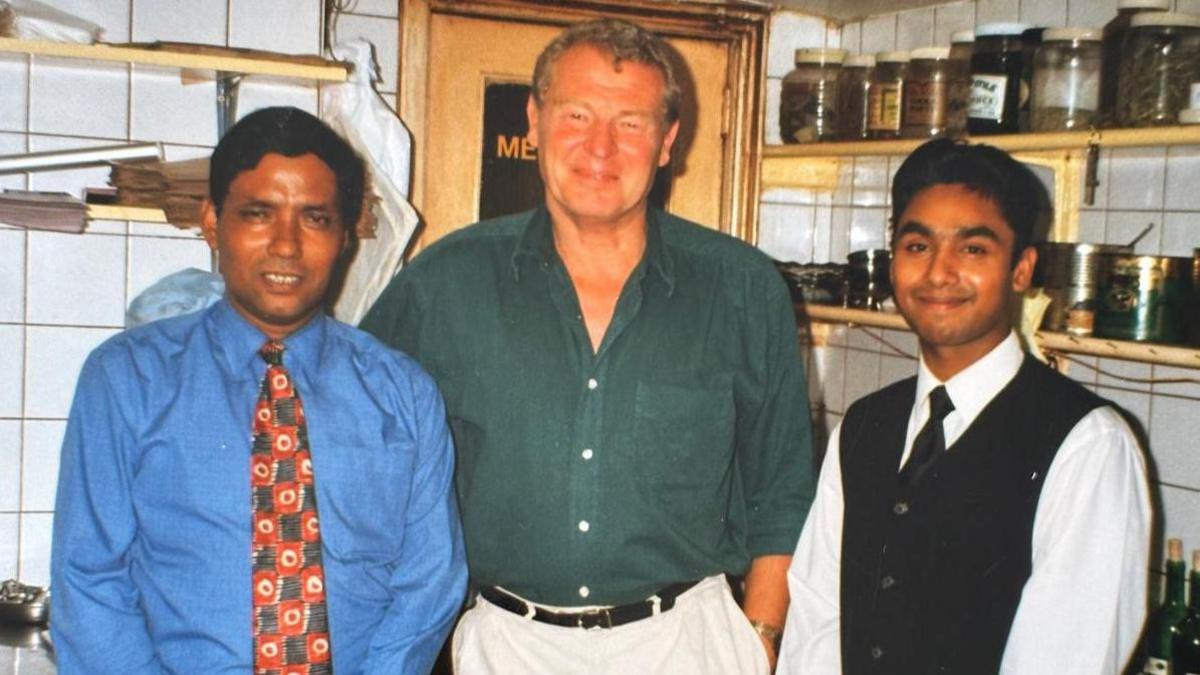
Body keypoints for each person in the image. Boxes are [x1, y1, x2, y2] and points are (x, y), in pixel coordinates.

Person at [360, 18, 813, 674]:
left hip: (688, 643)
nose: (601, 145)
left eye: (630, 121)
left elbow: (783, 488)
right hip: (506, 644)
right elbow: (362, 455)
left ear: (667, 142)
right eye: (577, 114)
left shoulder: (743, 289)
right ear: (535, 120)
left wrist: (762, 636)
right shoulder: (443, 283)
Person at [51, 106, 467, 674]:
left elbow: (430, 581)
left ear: (345, 236)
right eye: (258, 213)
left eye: (315, 218)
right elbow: (89, 577)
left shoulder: (404, 395)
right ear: (212, 222)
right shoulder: (128, 380)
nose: (286, 245)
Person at [778, 138, 1151, 674]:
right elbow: (816, 624)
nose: (939, 273)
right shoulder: (864, 427)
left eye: (973, 249)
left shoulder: (1087, 445)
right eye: (917, 246)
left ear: (1022, 269)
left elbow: (1065, 660)